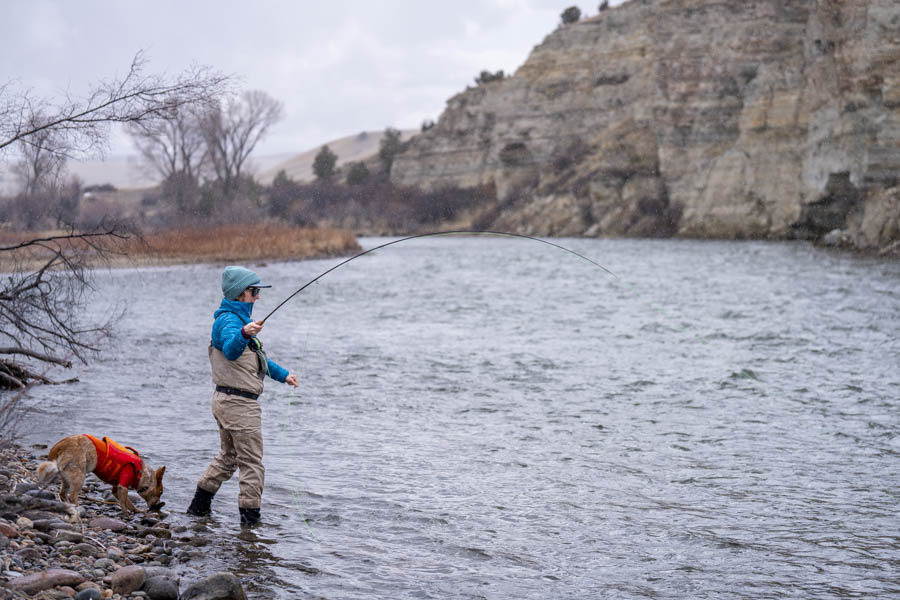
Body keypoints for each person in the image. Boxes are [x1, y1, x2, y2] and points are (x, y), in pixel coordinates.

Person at [187, 266, 299, 526]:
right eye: (254, 291)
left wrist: (284, 376)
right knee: (251, 463)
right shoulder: (228, 322)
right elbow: (231, 349)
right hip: (238, 405)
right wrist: (243, 334)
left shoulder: (237, 321)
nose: (257, 297)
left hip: (227, 401)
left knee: (228, 458)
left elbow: (258, 361)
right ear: (240, 293)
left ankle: (198, 509)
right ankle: (250, 525)